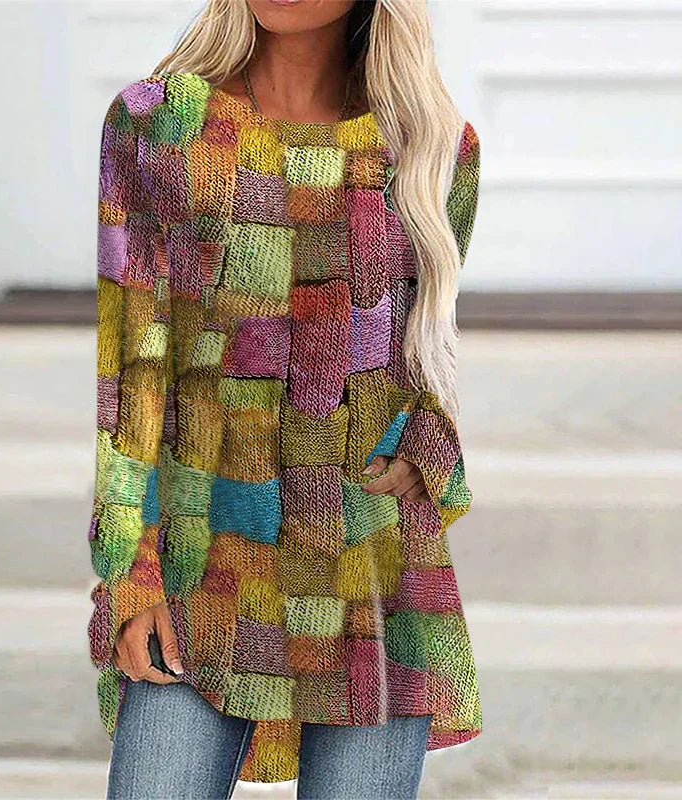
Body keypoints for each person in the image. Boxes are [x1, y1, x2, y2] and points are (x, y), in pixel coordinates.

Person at [89, 1, 482, 798]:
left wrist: (427, 449)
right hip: (204, 564)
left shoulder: (433, 145)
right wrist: (130, 575)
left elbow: (419, 357)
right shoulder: (159, 126)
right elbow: (133, 373)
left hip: (371, 571)